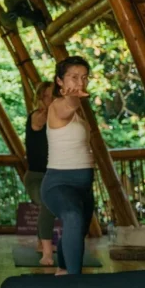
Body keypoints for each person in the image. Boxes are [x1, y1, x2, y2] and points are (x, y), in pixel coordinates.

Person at [41, 56, 95, 276]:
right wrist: (74, 98)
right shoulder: (57, 106)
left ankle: (63, 269)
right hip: (58, 183)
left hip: (84, 186)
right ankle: (75, 282)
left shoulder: (79, 113)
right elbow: (69, 104)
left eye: (84, 77)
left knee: (77, 230)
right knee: (72, 216)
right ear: (60, 81)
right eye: (73, 77)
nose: (80, 82)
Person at [24, 82, 57, 266]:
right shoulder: (37, 117)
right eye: (48, 96)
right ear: (40, 99)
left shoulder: (60, 119)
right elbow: (41, 121)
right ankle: (46, 251)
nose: (52, 100)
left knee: (50, 205)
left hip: (53, 175)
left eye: (55, 96)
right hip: (35, 177)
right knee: (47, 202)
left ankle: (40, 242)